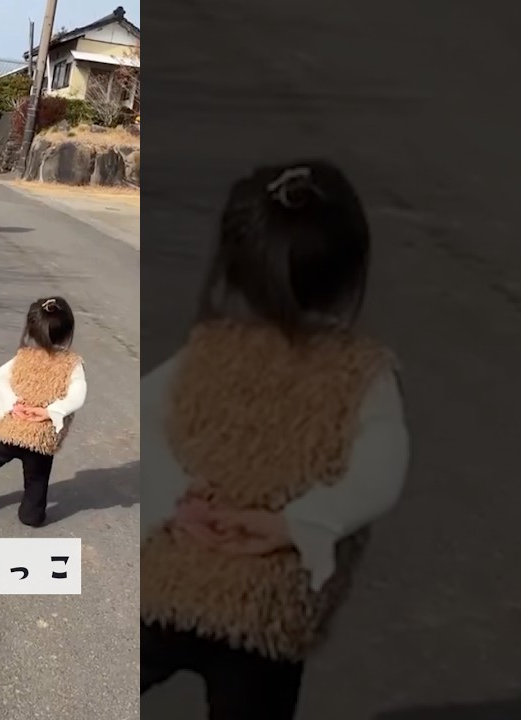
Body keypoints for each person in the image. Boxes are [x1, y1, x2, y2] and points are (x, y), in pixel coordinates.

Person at [140, 161, 410, 719]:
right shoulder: (364, 371)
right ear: (352, 271)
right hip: (267, 606)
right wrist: (300, 523)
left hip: (170, 575)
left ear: (233, 267)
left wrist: (176, 499)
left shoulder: (209, 350)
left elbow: (144, 418)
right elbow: (382, 465)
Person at [0, 297, 87, 527]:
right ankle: (31, 515)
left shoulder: (22, 356)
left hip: (12, 427)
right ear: (68, 332)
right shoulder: (72, 364)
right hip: (40, 437)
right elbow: (78, 395)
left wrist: (14, 403)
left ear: (31, 330)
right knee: (37, 478)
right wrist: (50, 411)